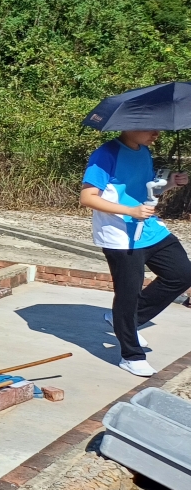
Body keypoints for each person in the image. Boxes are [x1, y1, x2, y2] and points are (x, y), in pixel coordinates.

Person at [80, 129, 191, 377]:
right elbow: (87, 197)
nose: (156, 133)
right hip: (120, 236)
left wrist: (171, 183)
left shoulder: (144, 151)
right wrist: (130, 211)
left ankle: (127, 319)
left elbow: (146, 192)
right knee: (128, 295)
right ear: (130, 126)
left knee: (182, 274)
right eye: (150, 128)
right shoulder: (106, 153)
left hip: (150, 229)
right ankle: (131, 356)